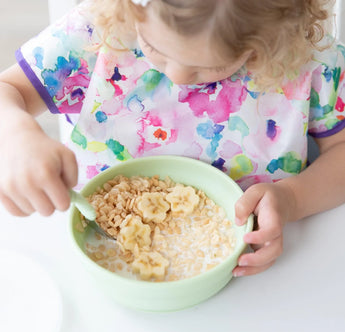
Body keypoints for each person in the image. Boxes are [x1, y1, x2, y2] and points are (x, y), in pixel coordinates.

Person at [0, 0, 344, 277]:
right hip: (99, 264)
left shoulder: (311, 61)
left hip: (266, 275)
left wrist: (293, 199)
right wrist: (15, 134)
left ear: (269, 41)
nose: (177, 75)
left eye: (209, 67)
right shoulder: (98, 32)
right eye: (152, 47)